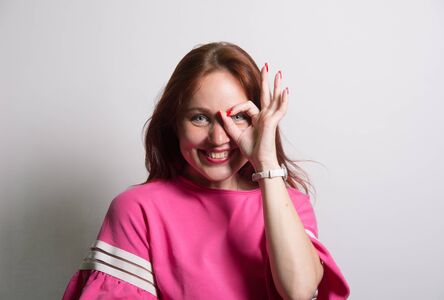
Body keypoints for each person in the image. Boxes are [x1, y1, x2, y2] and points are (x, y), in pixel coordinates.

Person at [62, 41, 350, 300]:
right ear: (174, 123)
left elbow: (299, 292)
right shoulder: (138, 210)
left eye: (237, 117)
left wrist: (266, 163)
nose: (219, 138)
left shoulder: (287, 204)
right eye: (199, 118)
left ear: (258, 122)